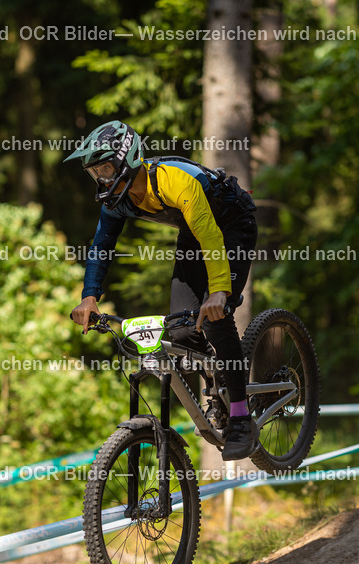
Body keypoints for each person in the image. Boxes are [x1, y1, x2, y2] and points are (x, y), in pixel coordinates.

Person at [65, 120, 260, 460]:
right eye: (95, 172)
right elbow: (101, 247)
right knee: (182, 333)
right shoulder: (117, 200)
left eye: (106, 168)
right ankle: (219, 389)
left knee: (216, 317)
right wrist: (89, 296)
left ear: (128, 160)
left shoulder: (174, 181)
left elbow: (211, 236)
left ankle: (242, 417)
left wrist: (219, 293)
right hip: (194, 234)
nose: (101, 179)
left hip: (232, 225)